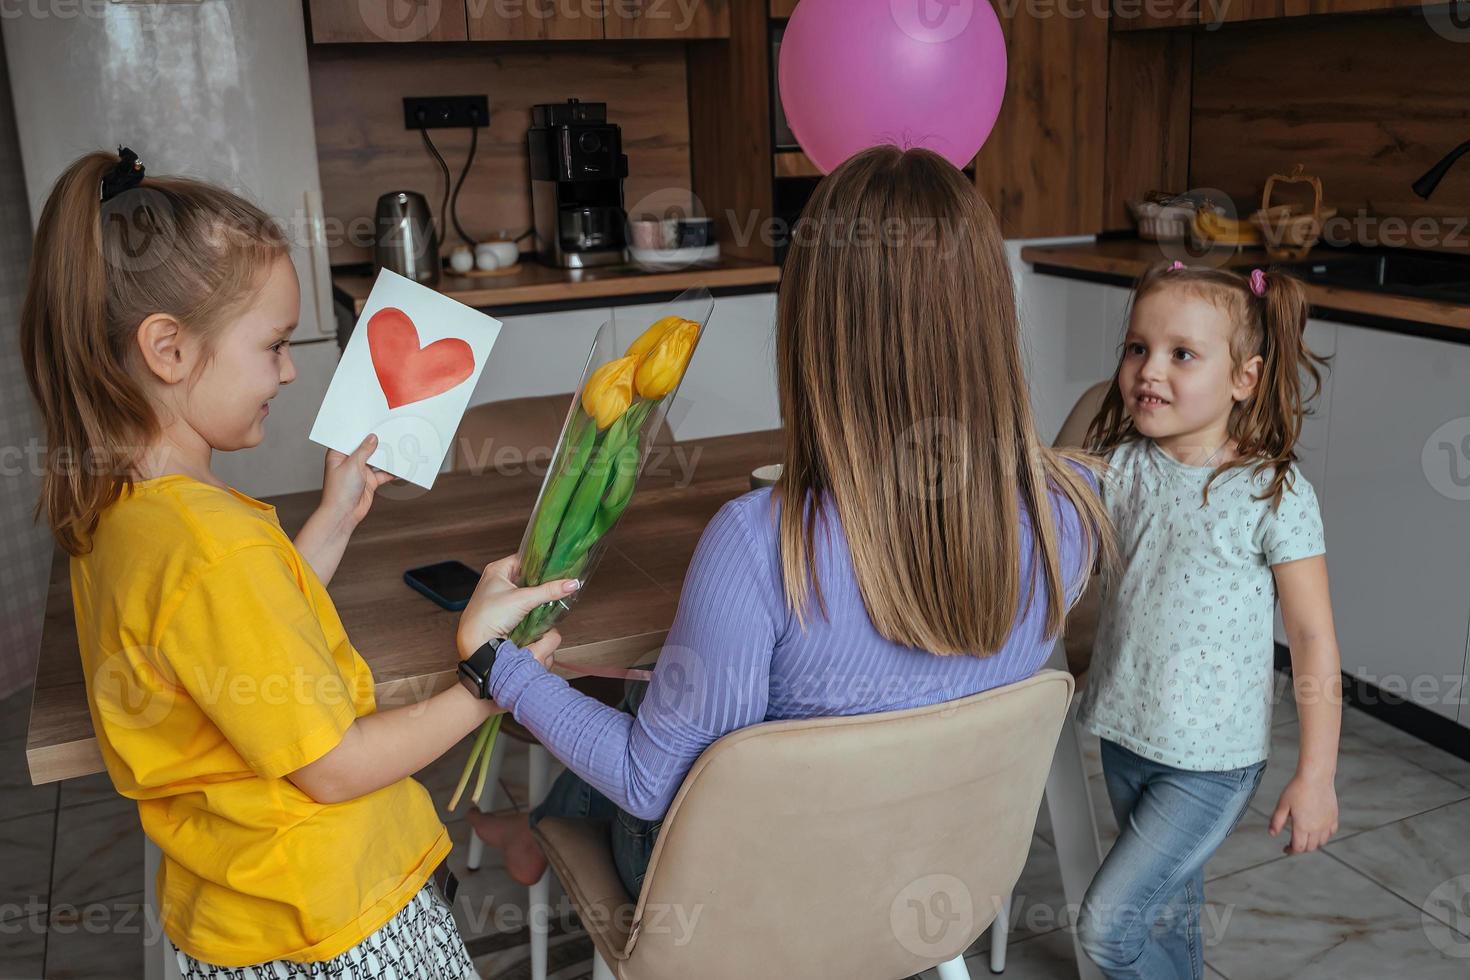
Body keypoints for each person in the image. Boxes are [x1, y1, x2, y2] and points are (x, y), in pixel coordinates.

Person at [462, 144, 1114, 898]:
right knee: (675, 692)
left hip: (760, 895)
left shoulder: (758, 542)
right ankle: (534, 826)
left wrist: (495, 665)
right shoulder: (1069, 510)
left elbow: (649, 784)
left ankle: (537, 826)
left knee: (661, 709)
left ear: (813, 328)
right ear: (992, 316)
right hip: (936, 870)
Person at [19, 148, 573, 977]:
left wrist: (332, 522)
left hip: (243, 916)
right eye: (273, 345)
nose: (288, 369)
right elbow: (334, 766)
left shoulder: (126, 514)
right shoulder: (214, 543)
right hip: (337, 922)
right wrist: (489, 680)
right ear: (168, 350)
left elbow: (225, 645)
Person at [1072, 262, 1343, 979]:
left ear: (1244, 379)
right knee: (1169, 902)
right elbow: (1053, 473)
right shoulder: (1125, 467)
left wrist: (1316, 776)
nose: (1149, 371)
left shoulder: (1273, 493)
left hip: (1213, 762)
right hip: (1129, 735)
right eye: (1138, 348)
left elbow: (1314, 640)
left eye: (1181, 354)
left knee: (1107, 927)